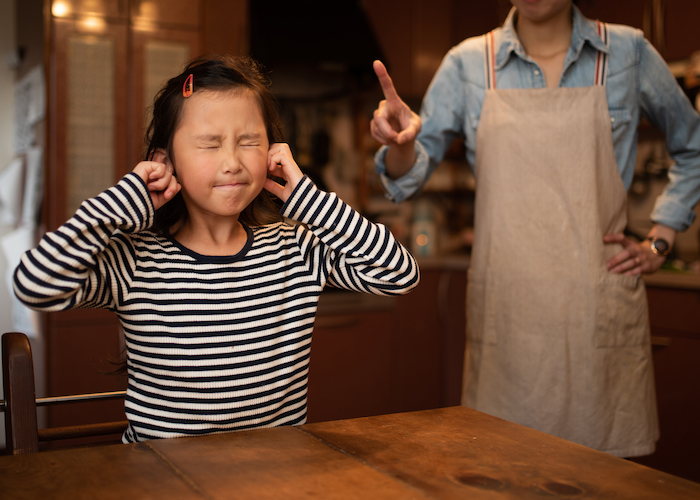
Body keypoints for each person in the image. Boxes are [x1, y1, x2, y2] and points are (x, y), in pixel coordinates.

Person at [13, 55, 419, 443]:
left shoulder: (295, 249)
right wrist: (122, 203)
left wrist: (309, 200)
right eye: (209, 144)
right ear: (164, 162)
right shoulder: (135, 260)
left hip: (276, 476)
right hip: (163, 479)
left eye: (248, 142)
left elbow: (400, 275)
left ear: (273, 154)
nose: (232, 162)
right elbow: (36, 284)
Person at [371, 0, 700, 458]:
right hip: (509, 318)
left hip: (595, 313)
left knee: (603, 481)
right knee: (503, 468)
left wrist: (660, 238)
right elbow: (407, 176)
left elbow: (694, 145)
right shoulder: (468, 63)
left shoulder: (627, 52)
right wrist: (400, 144)